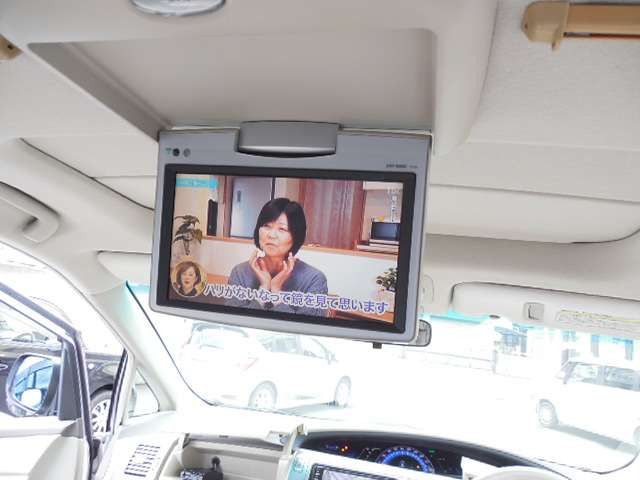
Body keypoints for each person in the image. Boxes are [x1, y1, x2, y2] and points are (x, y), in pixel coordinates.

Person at [227, 198, 328, 316]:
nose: (271, 235)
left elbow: (309, 326)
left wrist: (276, 291)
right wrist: (264, 288)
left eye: (282, 229)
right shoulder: (240, 272)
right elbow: (232, 321)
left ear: (296, 237)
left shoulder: (313, 279)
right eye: (267, 226)